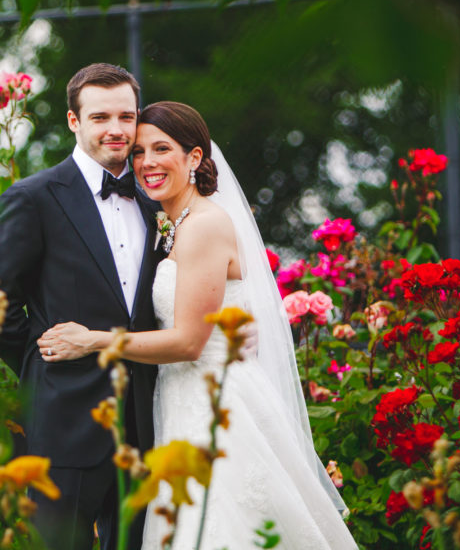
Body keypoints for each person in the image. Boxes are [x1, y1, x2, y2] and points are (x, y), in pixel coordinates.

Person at [37, 102, 358, 549]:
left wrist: (92, 340)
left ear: (194, 158)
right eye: (139, 152)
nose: (146, 162)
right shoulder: (169, 223)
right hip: (179, 399)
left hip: (215, 405)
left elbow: (189, 342)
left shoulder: (205, 224)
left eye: (162, 149)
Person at [0, 63, 164, 550]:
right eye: (100, 117)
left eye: (127, 116)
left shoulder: (156, 202)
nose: (116, 129)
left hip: (147, 423)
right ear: (73, 121)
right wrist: (45, 363)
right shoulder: (33, 197)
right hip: (62, 422)